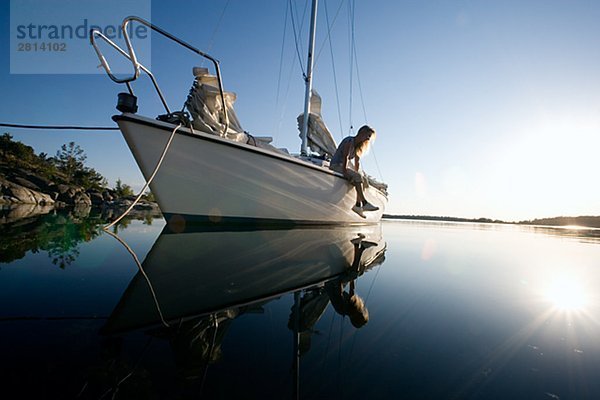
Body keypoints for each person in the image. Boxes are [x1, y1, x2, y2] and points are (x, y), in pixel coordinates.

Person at [329, 125, 379, 218]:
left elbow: (357, 162)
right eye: (367, 135)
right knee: (358, 177)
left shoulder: (358, 145)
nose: (368, 138)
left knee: (363, 179)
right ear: (361, 133)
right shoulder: (349, 141)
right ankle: (364, 202)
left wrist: (357, 176)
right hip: (336, 165)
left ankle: (357, 206)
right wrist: (345, 172)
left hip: (342, 166)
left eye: (369, 137)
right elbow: (346, 157)